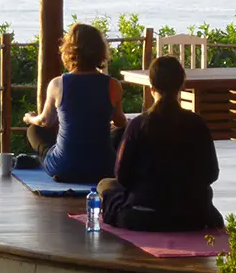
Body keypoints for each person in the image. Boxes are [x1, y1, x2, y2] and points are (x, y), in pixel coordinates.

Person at [98, 56, 223, 232]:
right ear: (181, 86)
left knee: (105, 185)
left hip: (144, 215)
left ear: (152, 88)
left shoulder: (138, 125)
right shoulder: (198, 124)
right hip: (193, 216)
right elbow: (211, 174)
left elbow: (122, 176)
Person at [23, 23, 127, 182]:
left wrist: (30, 118)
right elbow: (120, 122)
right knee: (119, 133)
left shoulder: (58, 84)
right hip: (104, 168)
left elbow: (45, 121)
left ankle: (54, 163)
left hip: (64, 167)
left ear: (69, 51)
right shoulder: (113, 85)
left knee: (33, 131)